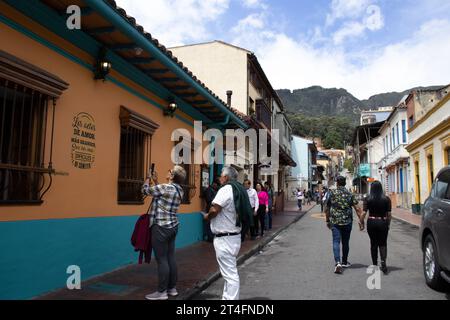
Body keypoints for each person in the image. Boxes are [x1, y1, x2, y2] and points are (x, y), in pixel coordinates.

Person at [203, 166, 253, 300]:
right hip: (234, 236)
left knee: (230, 275)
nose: (219, 178)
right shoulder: (240, 189)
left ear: (225, 177)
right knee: (228, 273)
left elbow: (215, 209)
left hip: (225, 238)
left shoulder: (226, 189)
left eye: (221, 175)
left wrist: (207, 216)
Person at [142, 165, 186, 300]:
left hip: (160, 226)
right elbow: (162, 196)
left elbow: (145, 191)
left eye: (170, 171)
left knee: (161, 260)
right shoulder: (179, 190)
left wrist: (148, 179)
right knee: (170, 257)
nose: (168, 171)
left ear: (172, 176)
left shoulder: (165, 188)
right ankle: (172, 288)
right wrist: (156, 181)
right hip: (172, 226)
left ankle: (161, 292)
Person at [325, 176, 363, 274]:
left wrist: (327, 220)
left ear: (337, 183)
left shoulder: (332, 193)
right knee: (345, 242)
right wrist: (361, 221)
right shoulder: (349, 194)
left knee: (336, 241)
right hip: (347, 222)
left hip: (335, 222)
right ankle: (345, 261)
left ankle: (338, 263)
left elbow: (327, 208)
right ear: (345, 183)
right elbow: (357, 209)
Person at [360, 181, 392, 274]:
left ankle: (374, 264)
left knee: (373, 243)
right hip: (383, 222)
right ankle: (383, 263)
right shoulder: (386, 199)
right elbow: (389, 214)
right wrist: (388, 224)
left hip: (372, 222)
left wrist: (361, 222)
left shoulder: (368, 199)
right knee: (383, 243)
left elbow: (364, 213)